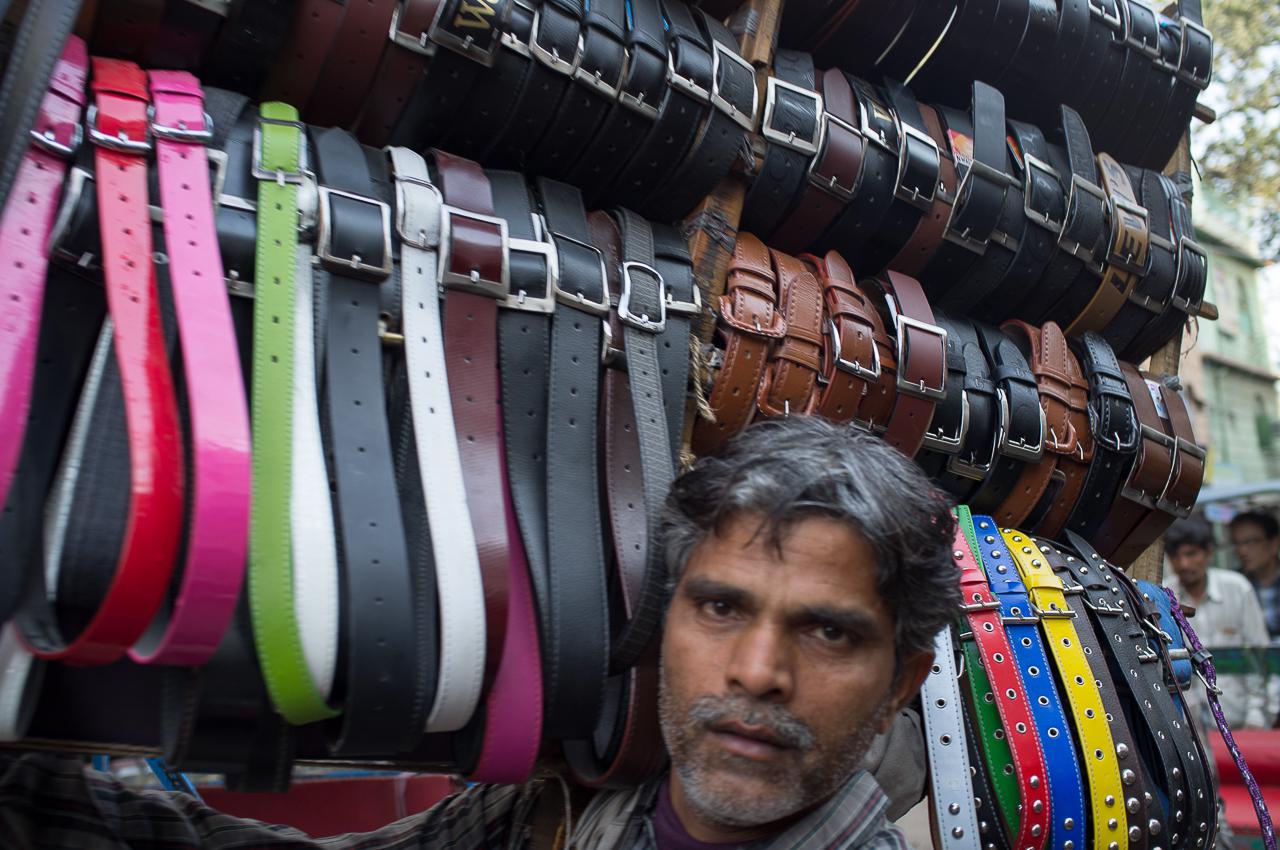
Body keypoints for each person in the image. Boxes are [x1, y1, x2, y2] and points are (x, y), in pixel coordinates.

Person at [0, 417, 961, 849]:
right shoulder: (565, 814)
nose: (756, 671)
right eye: (721, 607)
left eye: (827, 633)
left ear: (901, 684)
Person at [1164, 516, 1275, 729]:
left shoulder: (1237, 589)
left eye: (1191, 554)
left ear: (1209, 552)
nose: (1184, 564)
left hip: (1244, 722)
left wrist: (1256, 717)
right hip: (1192, 727)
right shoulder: (1164, 597)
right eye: (1176, 556)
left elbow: (1260, 657)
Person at [1228, 511, 1280, 639]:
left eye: (1251, 542)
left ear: (1274, 543)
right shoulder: (1234, 585)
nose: (1242, 551)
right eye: (1236, 543)